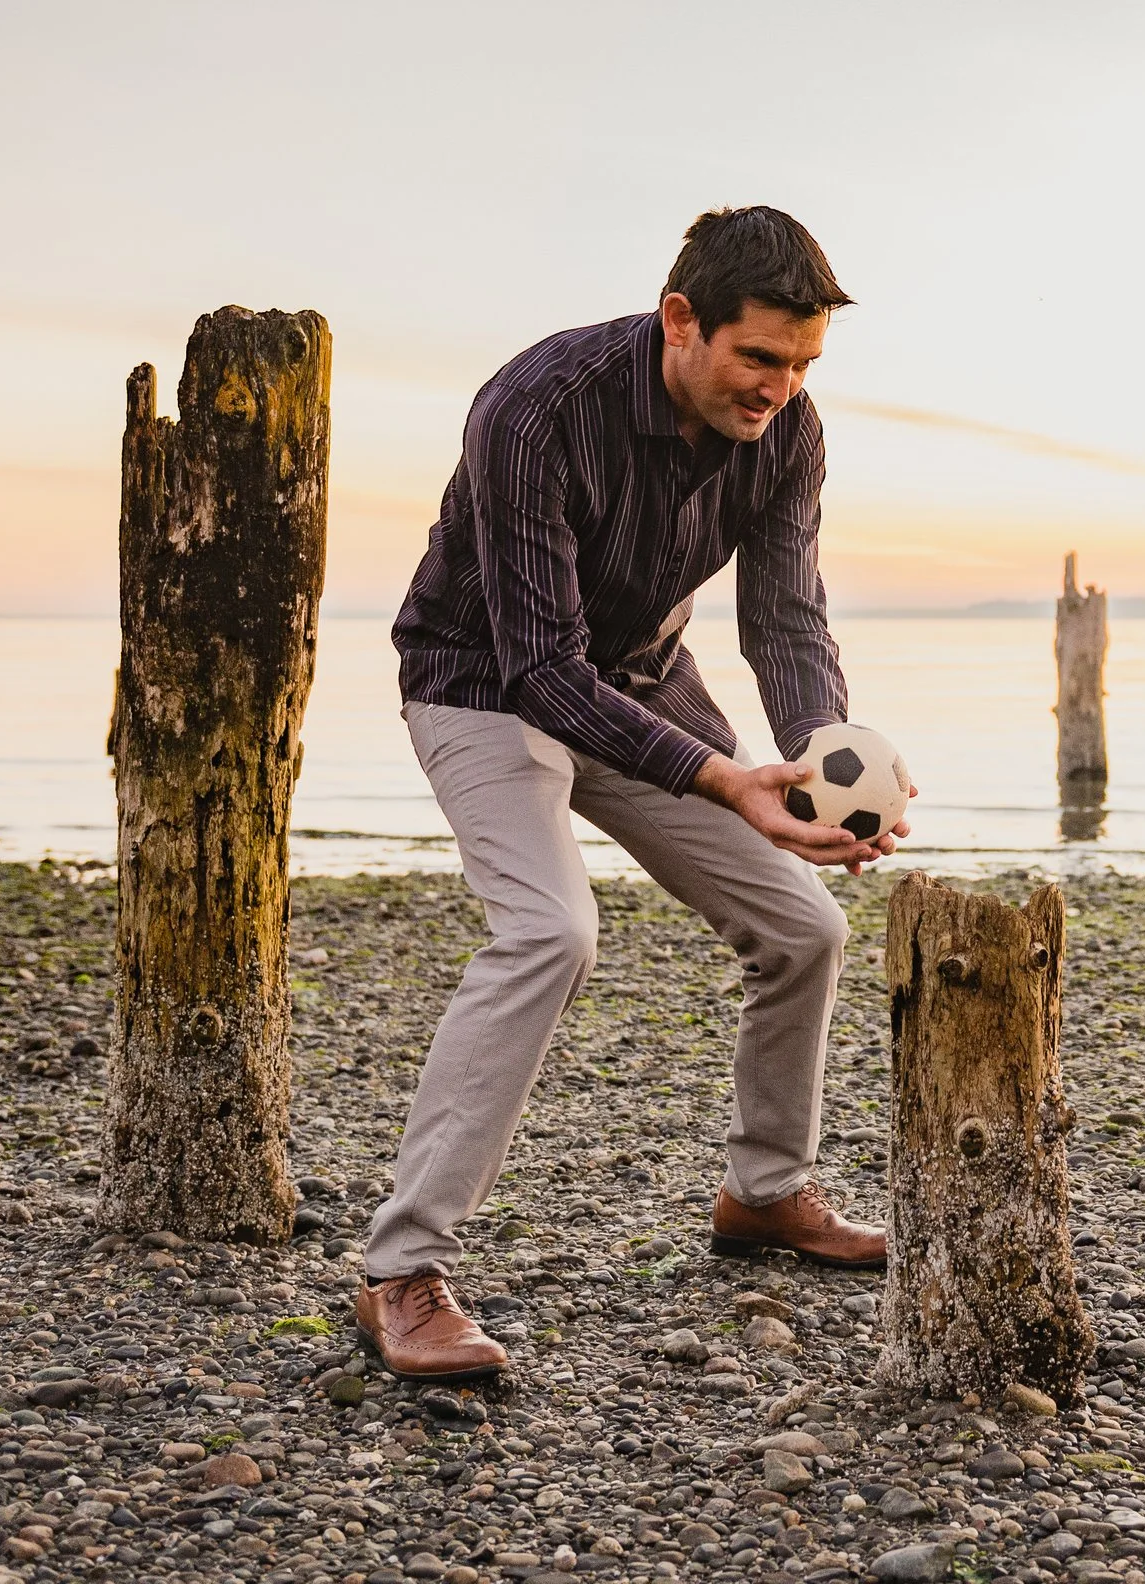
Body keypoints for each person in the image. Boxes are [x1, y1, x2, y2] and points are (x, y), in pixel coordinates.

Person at [356, 207, 911, 1382]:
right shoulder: (535, 408)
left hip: (644, 683)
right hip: (485, 683)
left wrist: (818, 765)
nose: (779, 388)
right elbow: (542, 667)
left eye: (803, 364)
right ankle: (401, 1270)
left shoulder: (789, 431)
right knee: (551, 929)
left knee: (805, 924)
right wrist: (722, 775)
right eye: (758, 357)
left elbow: (786, 616)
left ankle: (764, 1192)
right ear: (679, 321)